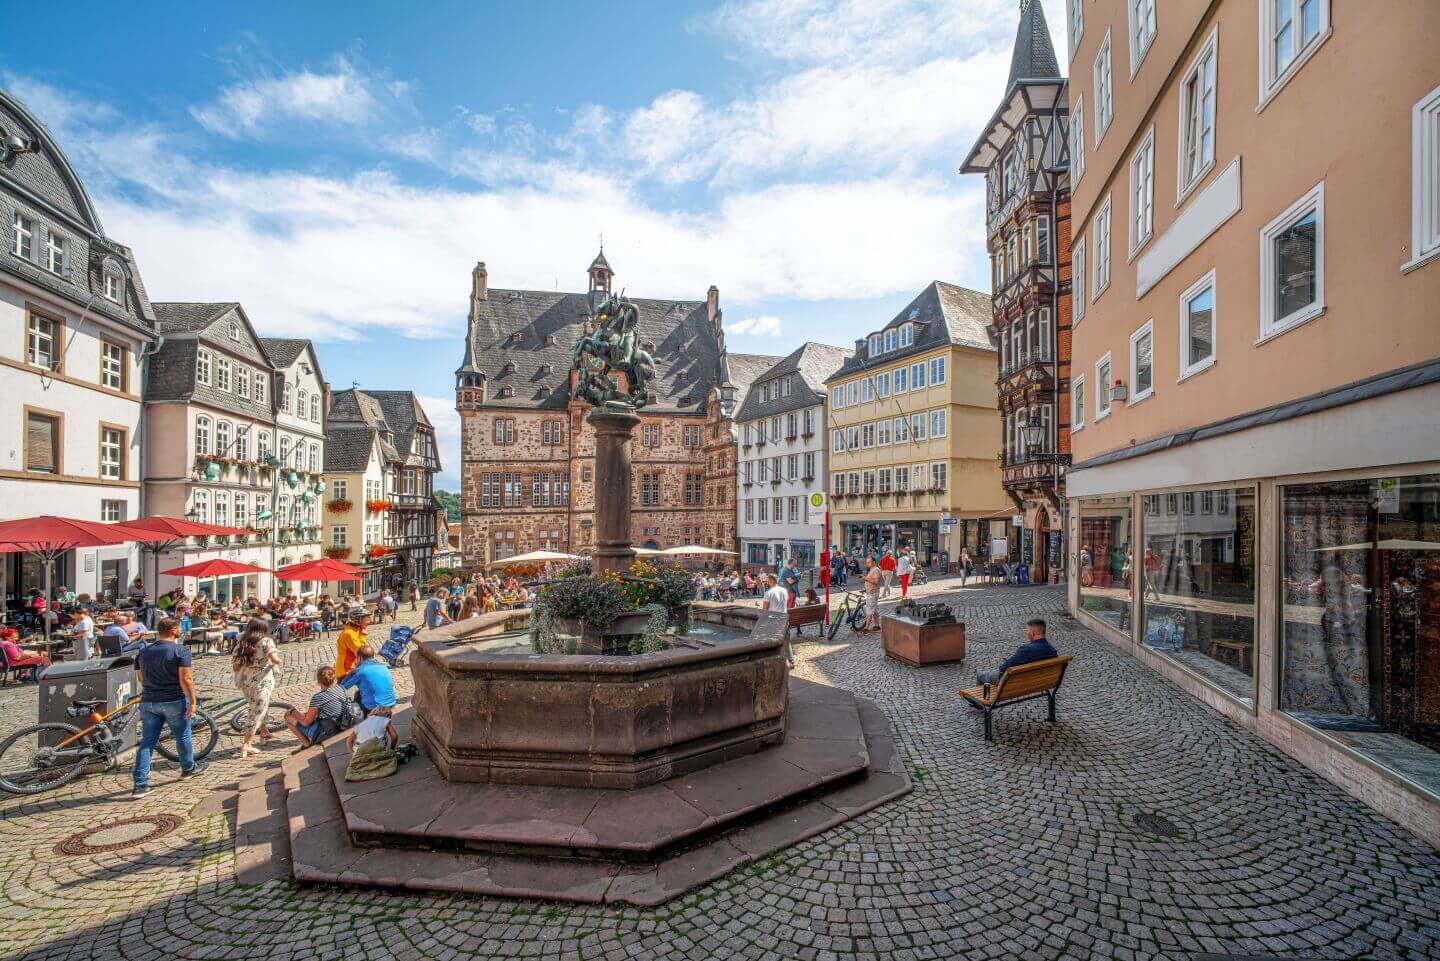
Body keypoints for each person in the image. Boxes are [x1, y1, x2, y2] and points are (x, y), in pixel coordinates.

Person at [131, 617, 204, 797]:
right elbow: (186, 679)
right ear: (172, 630)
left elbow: (140, 678)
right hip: (173, 699)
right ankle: (188, 768)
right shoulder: (180, 650)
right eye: (179, 628)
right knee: (182, 735)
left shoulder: (143, 652)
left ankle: (140, 784)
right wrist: (193, 701)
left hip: (148, 701)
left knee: (147, 742)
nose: (181, 630)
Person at [231, 618, 280, 757]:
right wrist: (273, 661)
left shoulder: (242, 643)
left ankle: (264, 731)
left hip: (246, 682)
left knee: (257, 706)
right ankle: (247, 743)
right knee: (256, 712)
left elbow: (236, 666)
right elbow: (275, 659)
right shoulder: (266, 641)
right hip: (262, 681)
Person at [976, 619, 1059, 687]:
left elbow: (1003, 668)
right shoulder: (1052, 651)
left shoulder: (1026, 649)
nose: (1027, 633)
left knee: (980, 675)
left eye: (1027, 631)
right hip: (1042, 681)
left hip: (1014, 683)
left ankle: (980, 702)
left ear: (1032, 633)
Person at [284, 666, 350, 748]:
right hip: (342, 725)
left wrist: (293, 711)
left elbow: (306, 722)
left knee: (288, 718)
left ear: (319, 682)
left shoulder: (318, 697)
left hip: (327, 731)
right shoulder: (342, 689)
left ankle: (307, 745)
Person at [340, 645, 398, 716]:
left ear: (360, 658)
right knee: (359, 694)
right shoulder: (383, 667)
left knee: (353, 705)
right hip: (391, 703)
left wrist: (351, 672)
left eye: (356, 658)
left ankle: (359, 721)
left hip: (375, 708)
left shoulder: (360, 671)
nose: (355, 661)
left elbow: (341, 687)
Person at [760, 575, 795, 667]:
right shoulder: (784, 590)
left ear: (770, 581)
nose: (767, 583)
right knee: (787, 640)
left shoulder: (768, 593)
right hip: (784, 618)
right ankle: (791, 660)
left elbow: (765, 609)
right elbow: (786, 602)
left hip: (773, 619)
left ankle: (774, 660)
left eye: (767, 581)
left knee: (771, 641)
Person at [333, 607, 371, 678]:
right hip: (346, 670)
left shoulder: (356, 630)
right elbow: (361, 650)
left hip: (352, 668)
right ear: (358, 620)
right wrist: (363, 635)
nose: (369, 622)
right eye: (367, 619)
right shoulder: (349, 634)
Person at [859, 559, 883, 634]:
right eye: (866, 562)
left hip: (873, 593)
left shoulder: (876, 570)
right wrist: (865, 588)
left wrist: (864, 578)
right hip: (870, 592)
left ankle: (866, 628)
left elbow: (875, 582)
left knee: (869, 611)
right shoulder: (872, 570)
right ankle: (877, 625)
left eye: (868, 562)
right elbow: (871, 580)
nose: (867, 563)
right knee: (874, 610)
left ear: (873, 562)